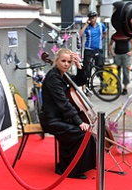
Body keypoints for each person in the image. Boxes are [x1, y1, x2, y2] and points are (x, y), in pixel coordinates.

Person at [39, 48, 96, 179]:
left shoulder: (63, 75)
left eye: (69, 62)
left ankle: (77, 165)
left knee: (85, 134)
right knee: (81, 134)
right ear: (56, 61)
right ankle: (67, 169)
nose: (66, 64)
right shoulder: (53, 78)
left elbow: (81, 81)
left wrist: (79, 66)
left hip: (61, 118)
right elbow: (64, 104)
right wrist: (79, 122)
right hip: (51, 120)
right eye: (63, 61)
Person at [79, 10, 107, 79]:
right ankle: (87, 82)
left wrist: (101, 38)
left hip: (98, 49)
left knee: (100, 66)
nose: (91, 20)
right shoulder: (87, 27)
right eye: (90, 18)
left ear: (96, 17)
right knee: (87, 67)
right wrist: (85, 25)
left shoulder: (101, 25)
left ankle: (101, 82)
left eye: (93, 18)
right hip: (88, 49)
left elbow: (105, 32)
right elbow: (80, 34)